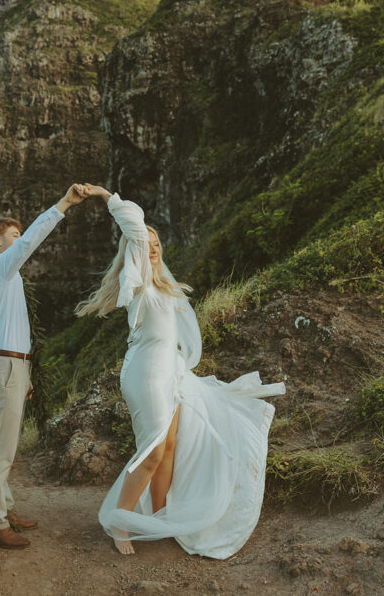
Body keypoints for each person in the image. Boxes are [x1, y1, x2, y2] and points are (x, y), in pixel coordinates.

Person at [75, 184, 285, 558]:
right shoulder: (139, 283)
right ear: (135, 250)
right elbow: (134, 226)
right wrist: (106, 196)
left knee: (169, 448)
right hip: (145, 377)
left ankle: (160, 517)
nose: (153, 247)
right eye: (146, 244)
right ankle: (121, 522)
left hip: (168, 374)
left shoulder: (164, 286)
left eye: (157, 243)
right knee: (151, 453)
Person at [0, 183, 89, 549]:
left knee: (7, 445)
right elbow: (30, 243)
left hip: (13, 365)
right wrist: (64, 204)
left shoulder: (8, 276)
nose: (20, 239)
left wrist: (24, 373)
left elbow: (15, 329)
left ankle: (5, 508)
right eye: (14, 235)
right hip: (5, 366)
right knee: (0, 448)